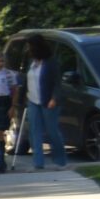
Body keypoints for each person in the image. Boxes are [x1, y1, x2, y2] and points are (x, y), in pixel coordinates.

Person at [23, 36, 68, 171]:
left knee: (52, 131)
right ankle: (38, 163)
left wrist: (54, 98)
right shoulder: (30, 62)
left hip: (48, 101)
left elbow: (57, 83)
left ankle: (60, 160)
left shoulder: (51, 62)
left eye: (30, 46)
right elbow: (27, 80)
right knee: (34, 132)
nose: (28, 49)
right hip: (32, 100)